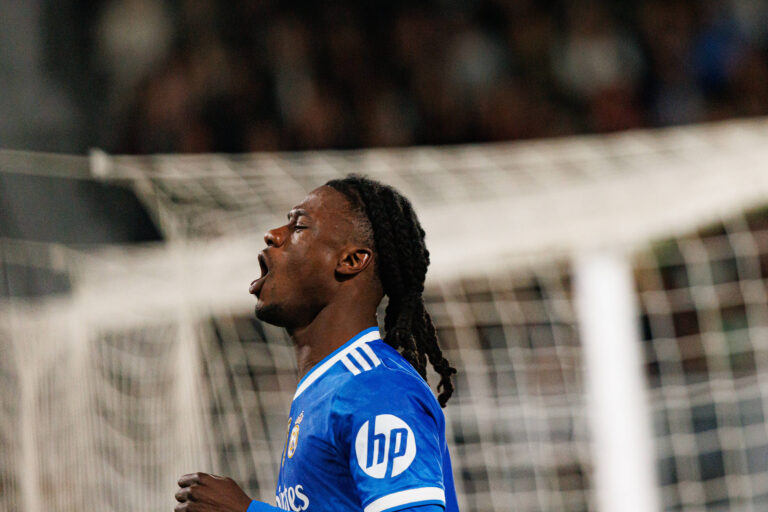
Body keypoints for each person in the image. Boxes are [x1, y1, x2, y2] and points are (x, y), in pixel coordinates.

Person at [174, 175, 458, 512]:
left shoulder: (376, 388)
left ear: (351, 260)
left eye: (298, 226)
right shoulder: (328, 387)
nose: (273, 235)